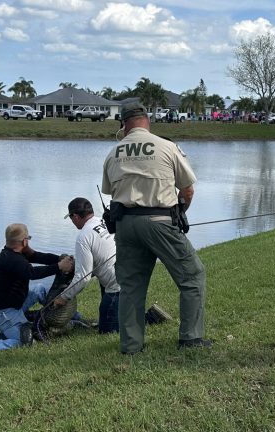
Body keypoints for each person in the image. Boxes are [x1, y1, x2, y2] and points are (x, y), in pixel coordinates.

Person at [102, 101, 209, 354]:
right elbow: (188, 189)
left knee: (130, 286)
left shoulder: (113, 153)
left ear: (123, 125)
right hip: (160, 221)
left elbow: (112, 192)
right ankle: (191, 338)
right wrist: (180, 212)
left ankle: (131, 345)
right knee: (192, 276)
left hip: (125, 225)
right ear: (147, 120)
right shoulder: (167, 146)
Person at [0, 223, 74, 355]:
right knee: (24, 340)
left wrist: (59, 259)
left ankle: (70, 317)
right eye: (28, 238)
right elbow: (33, 273)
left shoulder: (16, 252)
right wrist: (59, 266)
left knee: (39, 289)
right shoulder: (11, 259)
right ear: (24, 241)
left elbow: (38, 256)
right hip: (1, 313)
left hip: (15, 305)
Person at [52, 197, 121, 334]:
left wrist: (63, 297)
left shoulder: (83, 237)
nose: (72, 222)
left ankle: (148, 318)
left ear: (75, 216)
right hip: (128, 275)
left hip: (117, 284)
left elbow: (83, 277)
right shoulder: (105, 221)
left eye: (71, 218)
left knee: (107, 331)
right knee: (113, 317)